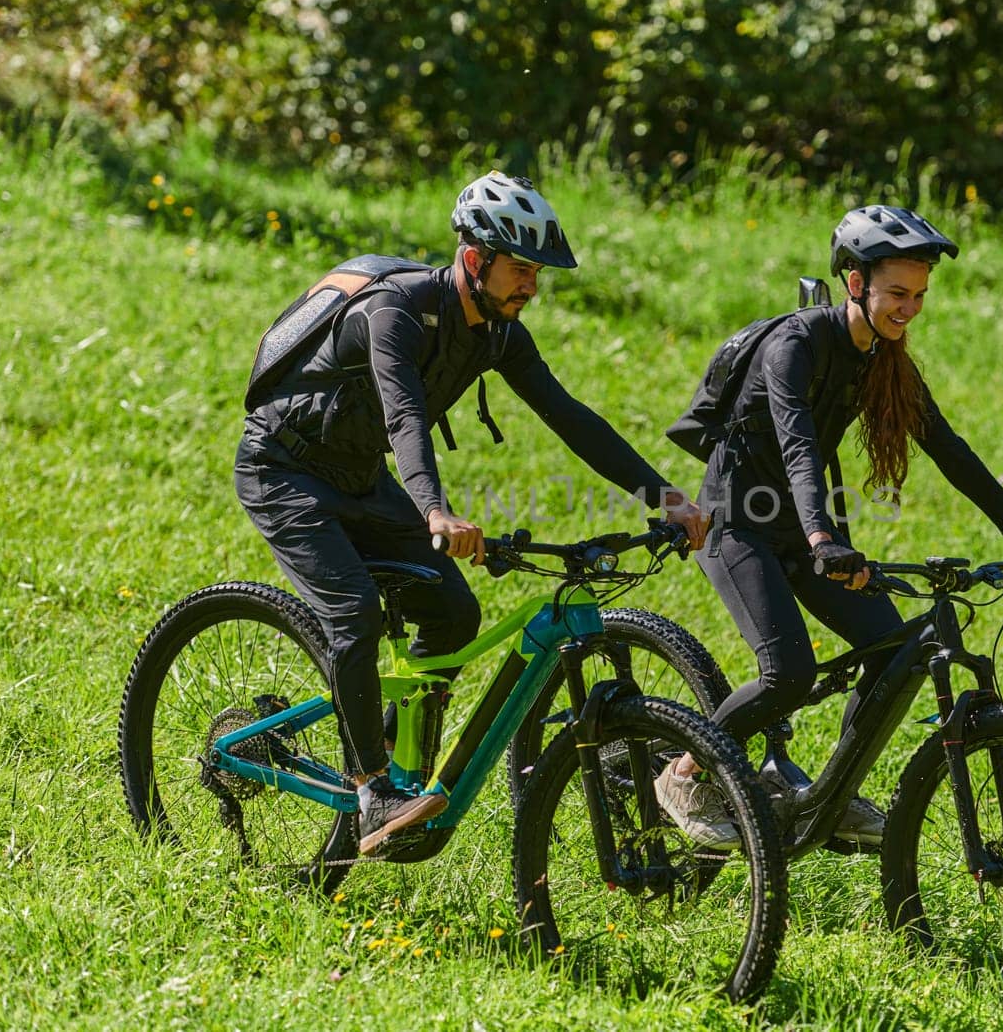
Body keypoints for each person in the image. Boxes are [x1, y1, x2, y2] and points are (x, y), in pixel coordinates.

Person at [235, 171, 707, 857]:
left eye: (537, 274)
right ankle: (371, 793)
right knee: (355, 613)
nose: (531, 287)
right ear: (475, 259)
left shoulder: (499, 333)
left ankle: (402, 761)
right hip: (286, 470)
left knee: (454, 612)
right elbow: (404, 417)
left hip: (361, 479)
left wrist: (666, 496)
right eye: (521, 270)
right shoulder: (395, 310)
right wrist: (434, 511)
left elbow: (571, 417)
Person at [655, 204, 1003, 849]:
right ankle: (683, 773)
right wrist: (823, 536)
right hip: (740, 526)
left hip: (809, 536)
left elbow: (949, 449)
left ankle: (831, 796)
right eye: (897, 293)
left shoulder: (883, 358)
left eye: (919, 295)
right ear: (855, 282)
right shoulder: (795, 344)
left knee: (893, 656)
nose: (910, 308)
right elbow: (796, 443)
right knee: (787, 674)